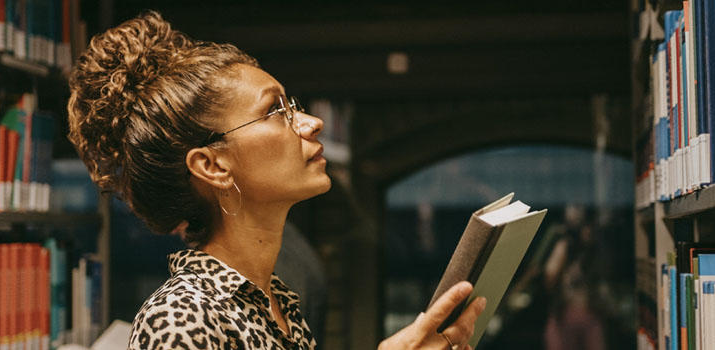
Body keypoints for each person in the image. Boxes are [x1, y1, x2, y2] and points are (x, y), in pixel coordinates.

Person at [67, 11, 487, 350]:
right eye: (275, 112)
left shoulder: (278, 304)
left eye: (294, 106)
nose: (311, 123)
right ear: (212, 166)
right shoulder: (184, 317)